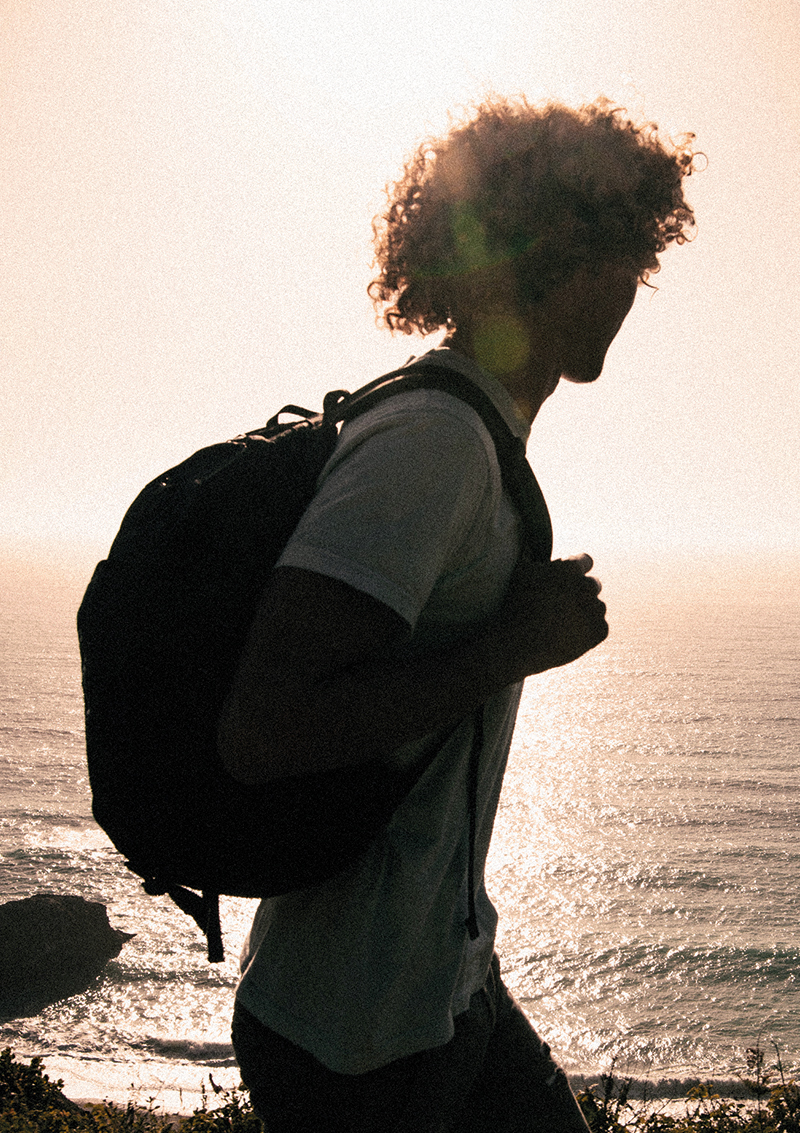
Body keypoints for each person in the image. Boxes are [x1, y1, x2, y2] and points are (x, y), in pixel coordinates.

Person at [218, 95, 697, 1132]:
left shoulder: (472, 433)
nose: (630, 286)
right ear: (552, 253)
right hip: (351, 1036)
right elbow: (263, 727)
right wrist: (512, 647)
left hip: (442, 988)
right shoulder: (432, 444)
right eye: (621, 251)